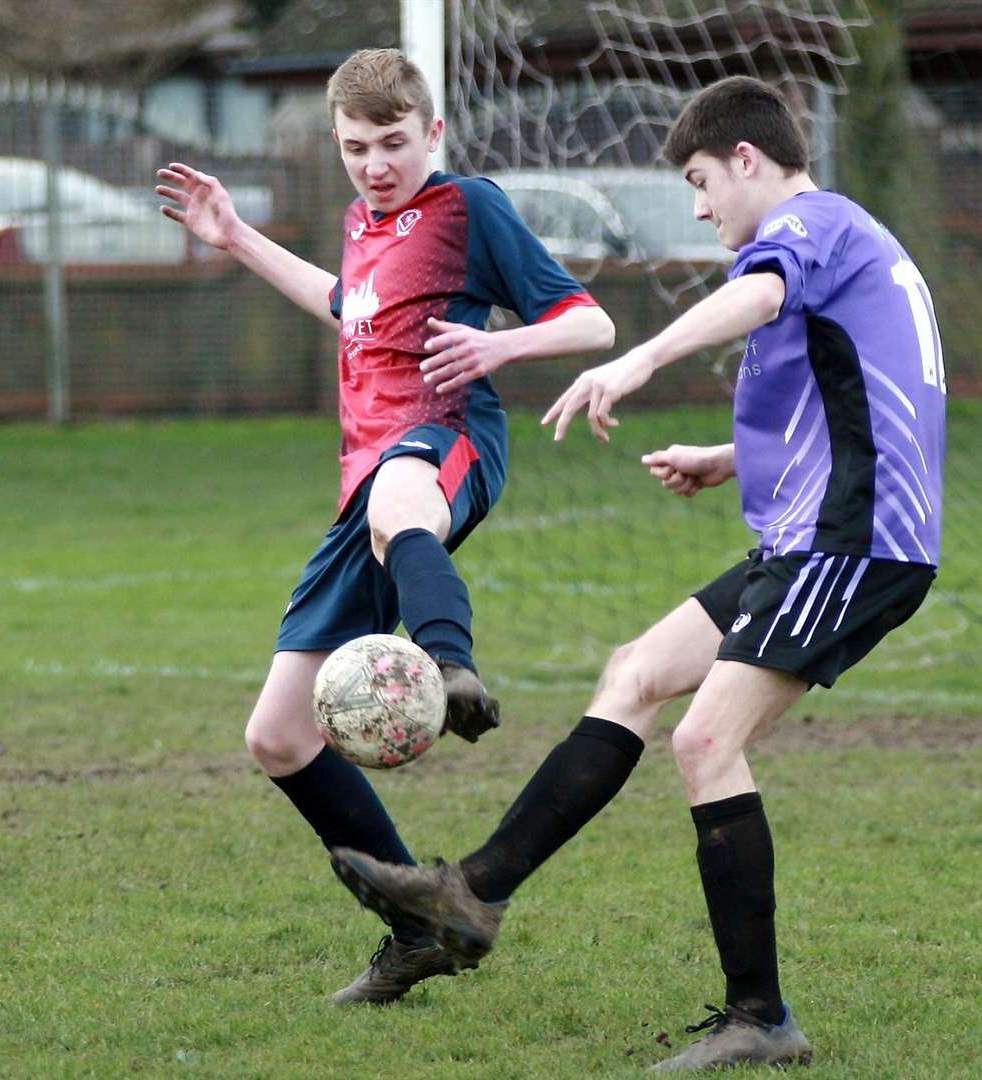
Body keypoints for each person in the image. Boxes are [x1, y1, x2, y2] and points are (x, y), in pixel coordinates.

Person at [331, 75, 945, 1071]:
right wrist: (731, 457)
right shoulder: (848, 243)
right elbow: (869, 399)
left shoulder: (810, 228)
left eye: (702, 183)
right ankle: (471, 897)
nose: (699, 208)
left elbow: (758, 296)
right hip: (813, 532)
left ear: (746, 161)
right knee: (633, 673)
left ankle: (760, 1018)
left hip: (852, 543)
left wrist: (634, 362)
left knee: (705, 742)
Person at [155, 47, 616, 1005]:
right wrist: (234, 234)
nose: (375, 163)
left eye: (394, 144)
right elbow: (346, 307)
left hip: (446, 436)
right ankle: (423, 923)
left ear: (433, 132)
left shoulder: (469, 206)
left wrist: (500, 341)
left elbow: (589, 324)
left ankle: (450, 665)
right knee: (278, 736)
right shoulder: (363, 223)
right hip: (360, 489)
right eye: (357, 147)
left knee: (401, 500)